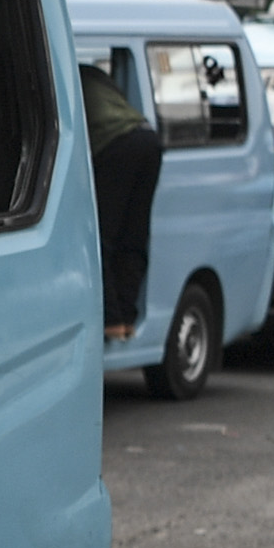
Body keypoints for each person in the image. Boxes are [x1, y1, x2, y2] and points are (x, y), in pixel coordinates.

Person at [79, 60, 162, 347]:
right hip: (146, 138)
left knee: (100, 236)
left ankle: (111, 319)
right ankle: (127, 318)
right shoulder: (93, 74)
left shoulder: (56, 74)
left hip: (114, 145)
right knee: (134, 235)